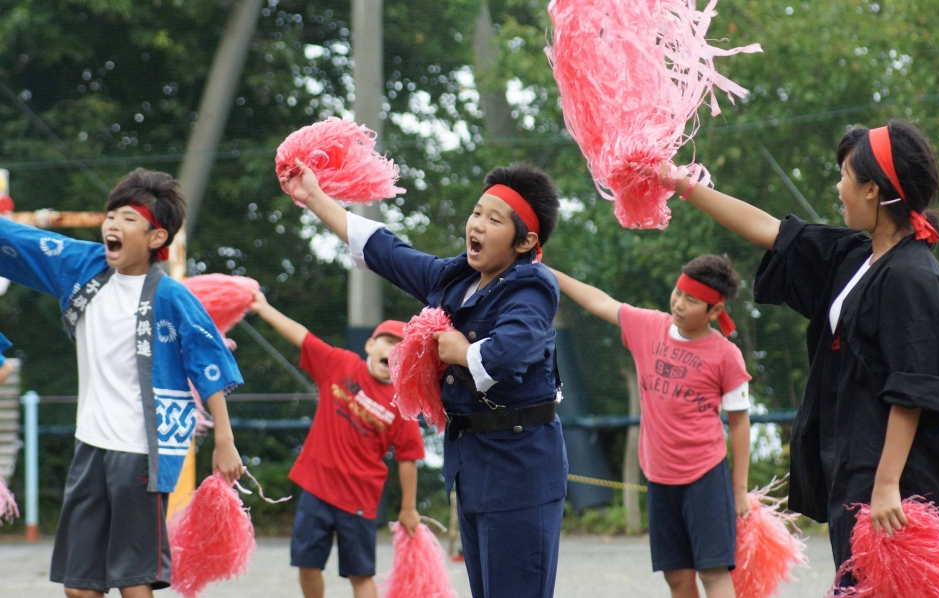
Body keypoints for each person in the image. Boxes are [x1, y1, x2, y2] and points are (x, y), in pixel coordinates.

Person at [668, 120, 939, 583]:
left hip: (895, 487)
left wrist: (886, 485)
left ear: (873, 191)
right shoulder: (858, 255)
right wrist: (679, 182)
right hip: (853, 471)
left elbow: (913, 389)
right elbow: (769, 229)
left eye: (844, 176)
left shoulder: (913, 276)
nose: (838, 188)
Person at [280, 159, 567, 598]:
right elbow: (387, 251)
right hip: (473, 468)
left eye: (494, 219)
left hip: (521, 472)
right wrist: (314, 197)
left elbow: (514, 347)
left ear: (525, 240)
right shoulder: (457, 277)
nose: (478, 224)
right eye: (477, 212)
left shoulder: (532, 286)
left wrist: (464, 352)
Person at [0, 168, 244, 598]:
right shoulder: (82, 267)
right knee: (80, 588)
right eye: (111, 215)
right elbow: (21, 242)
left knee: (134, 583)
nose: (112, 224)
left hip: (141, 455)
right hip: (89, 445)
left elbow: (209, 363)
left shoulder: (172, 296)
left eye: (128, 219)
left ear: (156, 238)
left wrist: (224, 439)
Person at [553, 256, 751, 598]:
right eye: (678, 293)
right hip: (659, 475)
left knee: (713, 572)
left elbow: (740, 422)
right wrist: (549, 273)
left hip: (705, 475)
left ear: (715, 312)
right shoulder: (648, 326)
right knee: (676, 577)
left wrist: (739, 490)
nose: (679, 303)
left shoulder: (726, 354)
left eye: (691, 301)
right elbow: (600, 301)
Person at [249, 292, 424, 598]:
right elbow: (303, 337)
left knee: (361, 574)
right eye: (387, 341)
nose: (393, 349)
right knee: (307, 566)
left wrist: (408, 509)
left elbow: (409, 458)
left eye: (401, 347)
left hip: (359, 499)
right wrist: (264, 308)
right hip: (316, 488)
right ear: (370, 345)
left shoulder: (403, 403)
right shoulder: (340, 363)